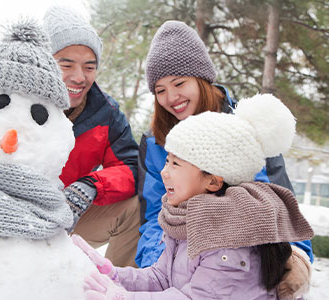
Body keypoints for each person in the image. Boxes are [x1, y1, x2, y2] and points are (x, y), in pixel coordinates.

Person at [82, 93, 315, 299]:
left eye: (176, 164)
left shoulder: (230, 238)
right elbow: (161, 278)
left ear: (213, 180)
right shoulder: (185, 219)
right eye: (166, 160)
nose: (164, 172)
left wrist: (123, 298)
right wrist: (114, 273)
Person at [136, 20, 313, 271]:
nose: (171, 98)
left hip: (244, 257)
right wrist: (159, 267)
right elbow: (153, 216)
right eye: (160, 90)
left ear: (201, 78)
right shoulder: (155, 142)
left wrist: (294, 261)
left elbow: (278, 205)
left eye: (179, 83)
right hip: (181, 257)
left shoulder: (245, 128)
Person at [43, 5, 140, 267]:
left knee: (136, 207)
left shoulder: (105, 113)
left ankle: (118, 287)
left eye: (89, 67)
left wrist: (91, 185)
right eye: (66, 64)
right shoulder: (17, 103)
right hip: (9, 219)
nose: (79, 77)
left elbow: (131, 167)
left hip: (69, 217)